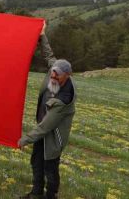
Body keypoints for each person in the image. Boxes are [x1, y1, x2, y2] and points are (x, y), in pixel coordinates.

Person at [18, 23, 76, 199]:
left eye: (57, 75)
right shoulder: (55, 70)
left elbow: (46, 127)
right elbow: (48, 55)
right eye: (52, 72)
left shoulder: (64, 98)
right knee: (36, 161)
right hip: (42, 128)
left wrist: (24, 140)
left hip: (53, 136)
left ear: (67, 75)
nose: (52, 76)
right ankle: (36, 193)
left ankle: (50, 195)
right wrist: (42, 35)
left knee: (50, 167)